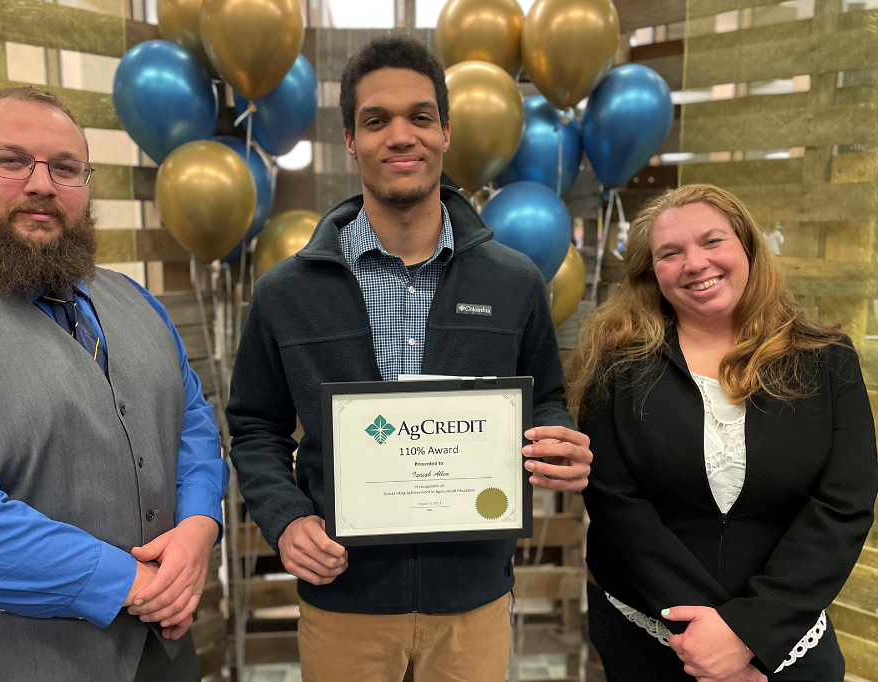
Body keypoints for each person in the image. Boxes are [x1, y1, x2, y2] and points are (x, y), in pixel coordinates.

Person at [226, 36, 592, 682]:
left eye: (420, 117)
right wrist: (284, 519)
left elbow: (545, 400)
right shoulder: (287, 292)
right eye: (377, 120)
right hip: (345, 601)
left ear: (447, 132)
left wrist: (556, 441)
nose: (402, 136)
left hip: (473, 602)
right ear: (350, 140)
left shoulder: (513, 282)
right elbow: (256, 427)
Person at [0, 87, 228, 682]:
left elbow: (191, 425)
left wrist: (200, 523)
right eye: (10, 161)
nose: (42, 184)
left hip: (163, 656)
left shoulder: (135, 301)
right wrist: (135, 585)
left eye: (65, 167)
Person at [569, 184, 877, 681]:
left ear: (747, 247)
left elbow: (844, 504)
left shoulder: (827, 360)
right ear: (652, 273)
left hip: (787, 639)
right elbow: (616, 506)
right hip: (649, 635)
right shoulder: (616, 367)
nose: (695, 263)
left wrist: (750, 633)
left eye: (712, 241)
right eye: (671, 253)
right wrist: (713, 642)